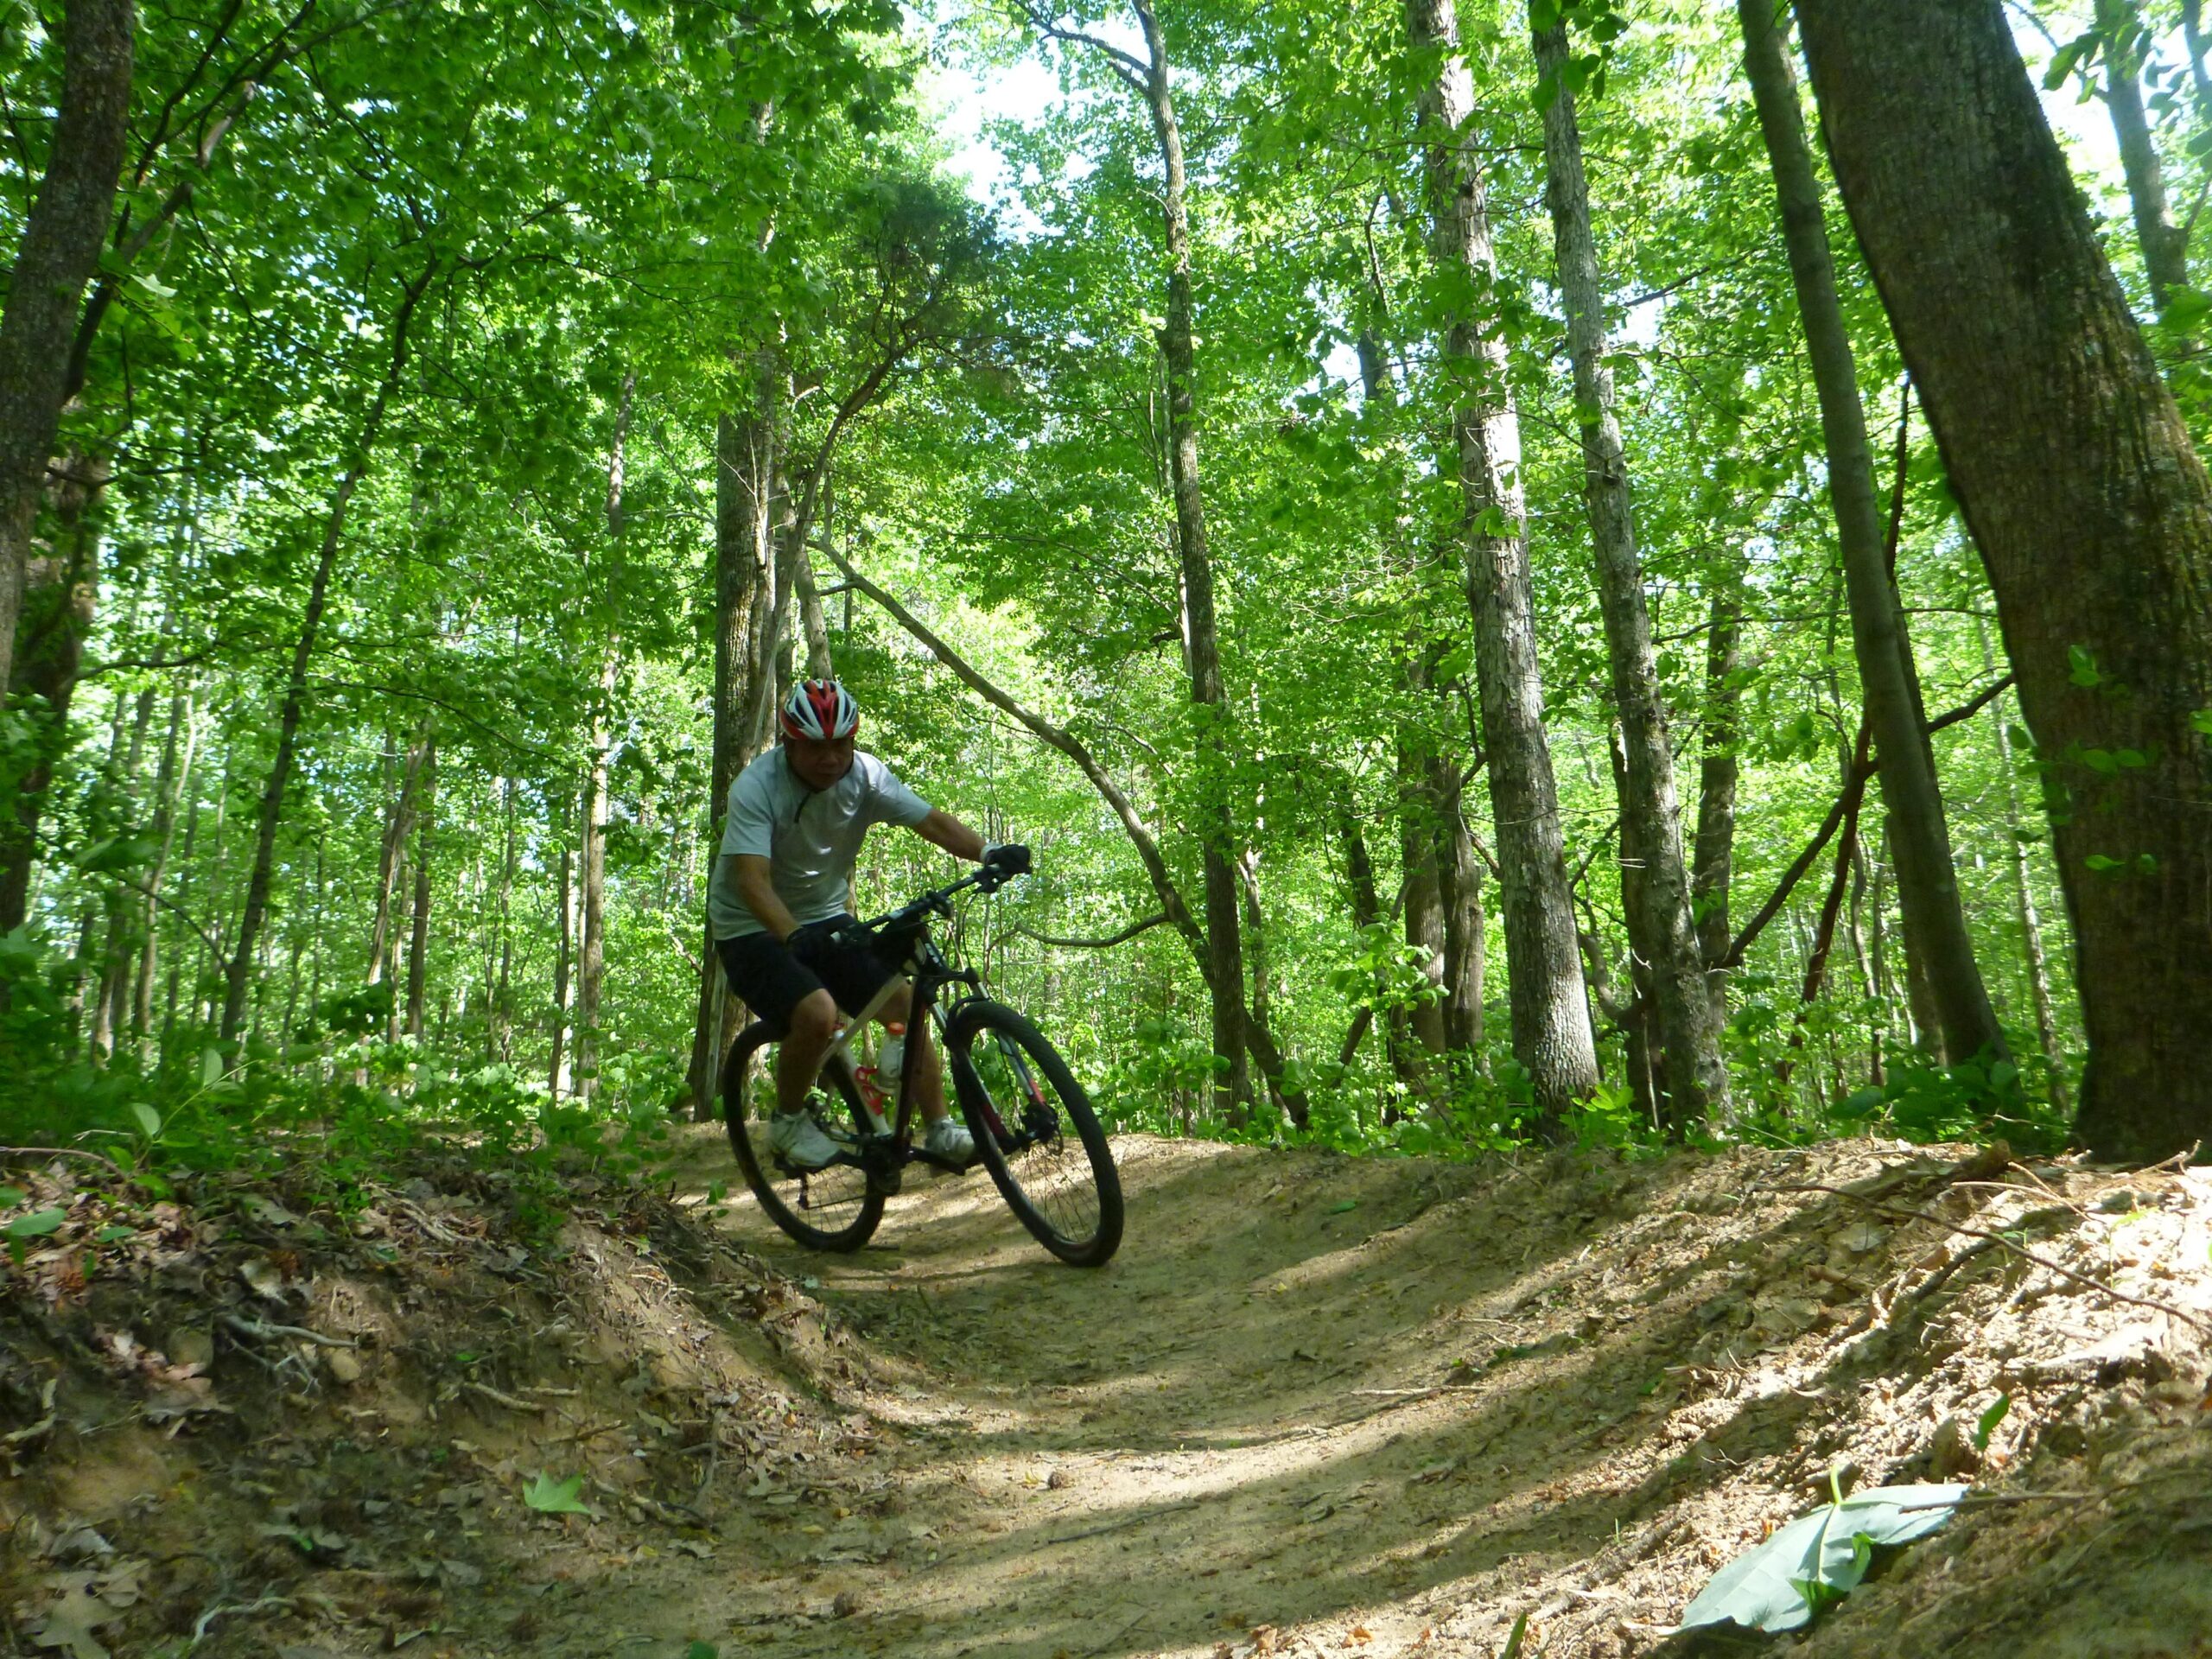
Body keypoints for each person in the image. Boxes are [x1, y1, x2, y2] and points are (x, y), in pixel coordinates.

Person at [707, 677, 1024, 1170]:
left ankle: (939, 1129)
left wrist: (987, 851)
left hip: (825, 917)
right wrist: (793, 935)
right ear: (790, 743)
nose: (830, 758)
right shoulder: (757, 787)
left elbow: (931, 821)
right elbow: (751, 880)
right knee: (816, 1013)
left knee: (904, 1005)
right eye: (815, 747)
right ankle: (788, 1122)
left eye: (840, 744)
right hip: (750, 925)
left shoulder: (868, 777)